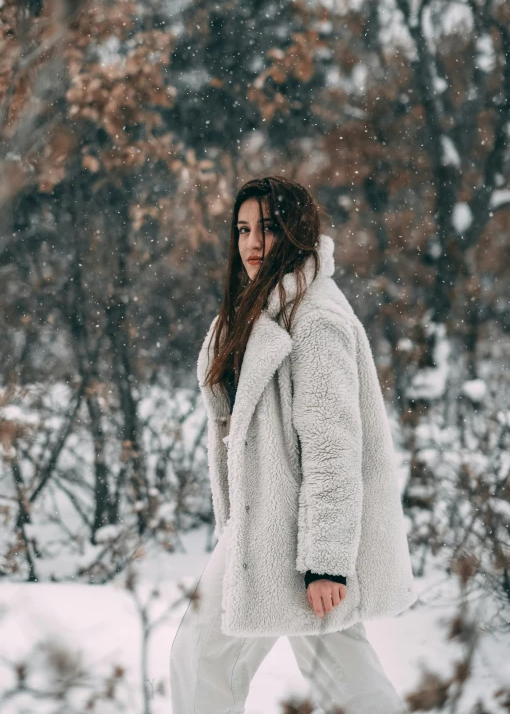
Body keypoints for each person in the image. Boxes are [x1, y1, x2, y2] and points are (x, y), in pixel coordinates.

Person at [170, 175, 417, 713]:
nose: (252, 244)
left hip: (292, 531)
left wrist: (326, 562)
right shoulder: (260, 310)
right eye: (243, 229)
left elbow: (334, 448)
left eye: (269, 229)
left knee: (202, 655)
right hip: (269, 524)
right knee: (342, 671)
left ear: (297, 233)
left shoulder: (315, 318)